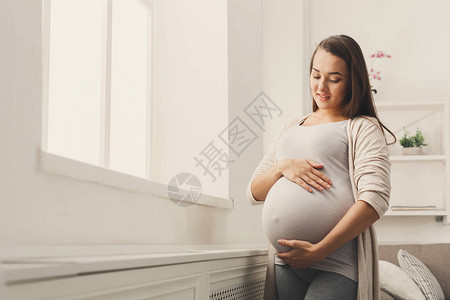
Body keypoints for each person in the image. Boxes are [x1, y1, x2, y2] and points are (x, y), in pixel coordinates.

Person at [246, 34, 396, 300]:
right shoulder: (291, 127)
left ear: (353, 81)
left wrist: (320, 250)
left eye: (334, 78)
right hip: (286, 262)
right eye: (316, 76)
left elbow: (375, 199)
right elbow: (254, 192)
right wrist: (283, 166)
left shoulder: (361, 127)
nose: (322, 87)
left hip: (335, 264)